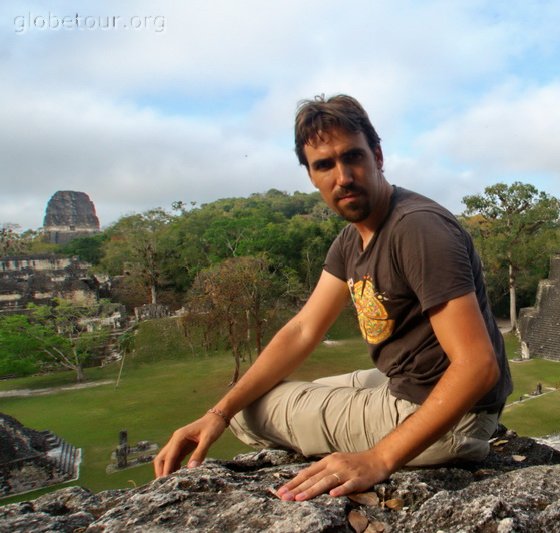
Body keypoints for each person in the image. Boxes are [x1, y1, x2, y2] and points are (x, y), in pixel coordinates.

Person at [154, 94, 512, 501]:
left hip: (453, 416)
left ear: (377, 156)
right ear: (310, 175)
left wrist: (379, 458)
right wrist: (215, 412)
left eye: (353, 157)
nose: (342, 176)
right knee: (249, 399)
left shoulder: (417, 229)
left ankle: (448, 446)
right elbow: (303, 330)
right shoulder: (351, 238)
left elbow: (478, 365)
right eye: (324, 164)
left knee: (251, 414)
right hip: (410, 385)